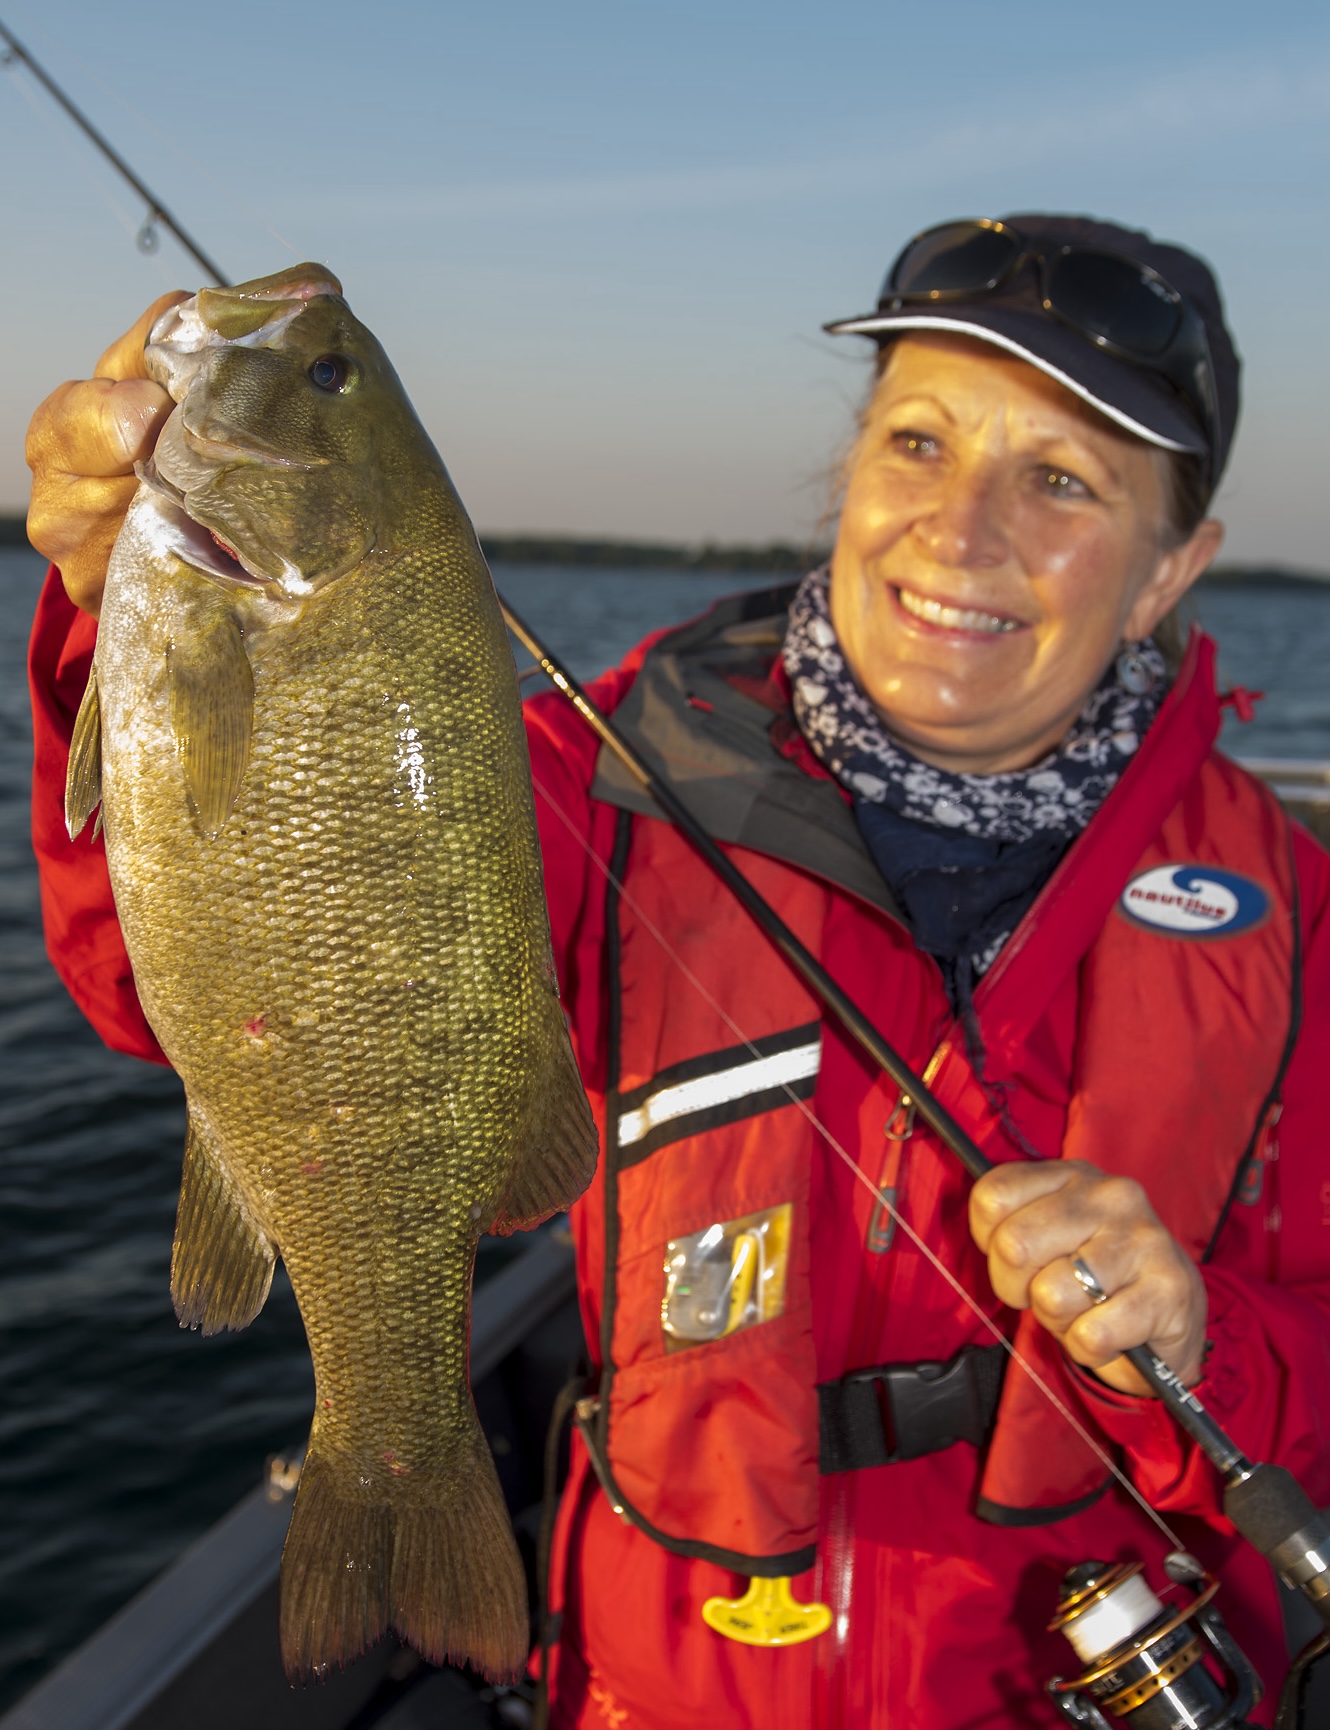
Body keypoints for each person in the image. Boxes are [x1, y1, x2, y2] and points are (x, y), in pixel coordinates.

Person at [23, 215, 1330, 1729]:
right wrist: (109, 637)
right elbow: (155, 984)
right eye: (917, 439)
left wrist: (1200, 1338)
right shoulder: (580, 778)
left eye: (1058, 480)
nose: (959, 528)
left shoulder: (1293, 917)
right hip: (667, 1677)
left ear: (1174, 565)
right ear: (849, 468)